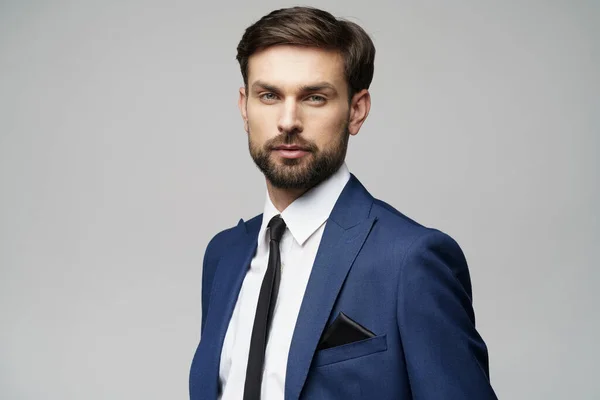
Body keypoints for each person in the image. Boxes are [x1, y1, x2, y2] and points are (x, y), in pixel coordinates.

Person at [190, 6, 497, 400]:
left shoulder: (410, 260)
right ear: (244, 107)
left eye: (314, 97)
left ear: (356, 110)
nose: (288, 121)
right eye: (269, 95)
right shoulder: (224, 256)